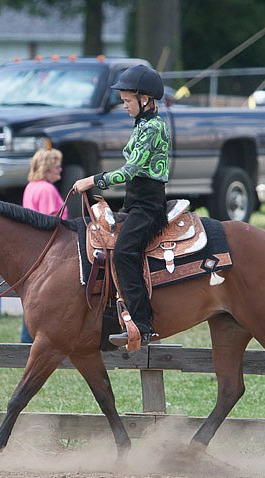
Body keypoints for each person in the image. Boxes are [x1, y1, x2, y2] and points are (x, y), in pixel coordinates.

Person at [73, 64, 170, 348]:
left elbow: (129, 171)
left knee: (126, 252)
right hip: (135, 201)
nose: (123, 105)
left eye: (127, 100)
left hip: (148, 205)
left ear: (145, 99)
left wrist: (92, 180)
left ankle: (143, 324)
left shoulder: (153, 128)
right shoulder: (142, 125)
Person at [20, 148, 67, 342]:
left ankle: (27, 341)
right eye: (57, 166)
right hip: (50, 251)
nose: (60, 170)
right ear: (47, 169)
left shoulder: (31, 186)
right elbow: (50, 222)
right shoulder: (47, 190)